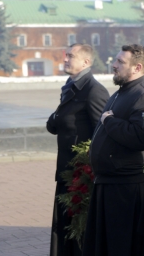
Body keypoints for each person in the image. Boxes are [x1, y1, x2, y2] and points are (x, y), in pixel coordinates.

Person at [82, 44, 144, 256]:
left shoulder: (143, 94)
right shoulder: (122, 92)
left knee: (122, 246)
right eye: (115, 60)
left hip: (127, 187)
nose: (114, 65)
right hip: (109, 182)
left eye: (120, 62)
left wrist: (110, 122)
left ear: (137, 67)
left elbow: (141, 137)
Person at [46, 43, 109, 256]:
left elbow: (102, 134)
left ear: (86, 62)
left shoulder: (94, 90)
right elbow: (53, 125)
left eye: (70, 56)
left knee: (77, 228)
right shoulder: (69, 86)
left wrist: (89, 171)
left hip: (80, 176)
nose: (65, 59)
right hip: (65, 169)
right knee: (62, 225)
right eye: (66, 55)